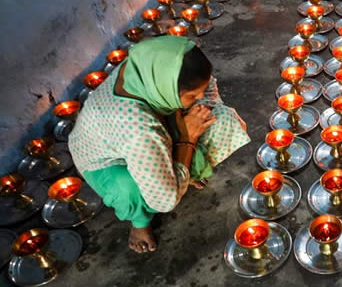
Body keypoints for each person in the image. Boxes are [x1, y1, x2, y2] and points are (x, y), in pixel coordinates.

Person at [69, 36, 250, 253]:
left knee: (222, 120)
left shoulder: (150, 65)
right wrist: (188, 138)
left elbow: (208, 87)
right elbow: (164, 201)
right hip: (105, 160)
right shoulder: (138, 128)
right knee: (130, 189)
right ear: (165, 90)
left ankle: (183, 171)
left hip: (148, 134)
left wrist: (194, 112)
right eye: (192, 95)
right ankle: (139, 222)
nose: (200, 97)